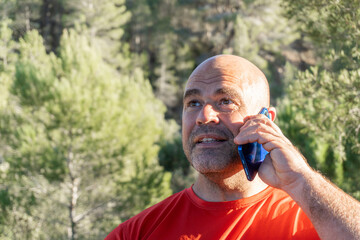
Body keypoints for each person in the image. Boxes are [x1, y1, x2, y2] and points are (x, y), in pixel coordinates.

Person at [105, 55, 360, 240]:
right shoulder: (137, 233)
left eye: (225, 101)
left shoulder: (316, 219)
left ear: (266, 119)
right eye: (193, 102)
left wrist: (299, 179)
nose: (204, 116)